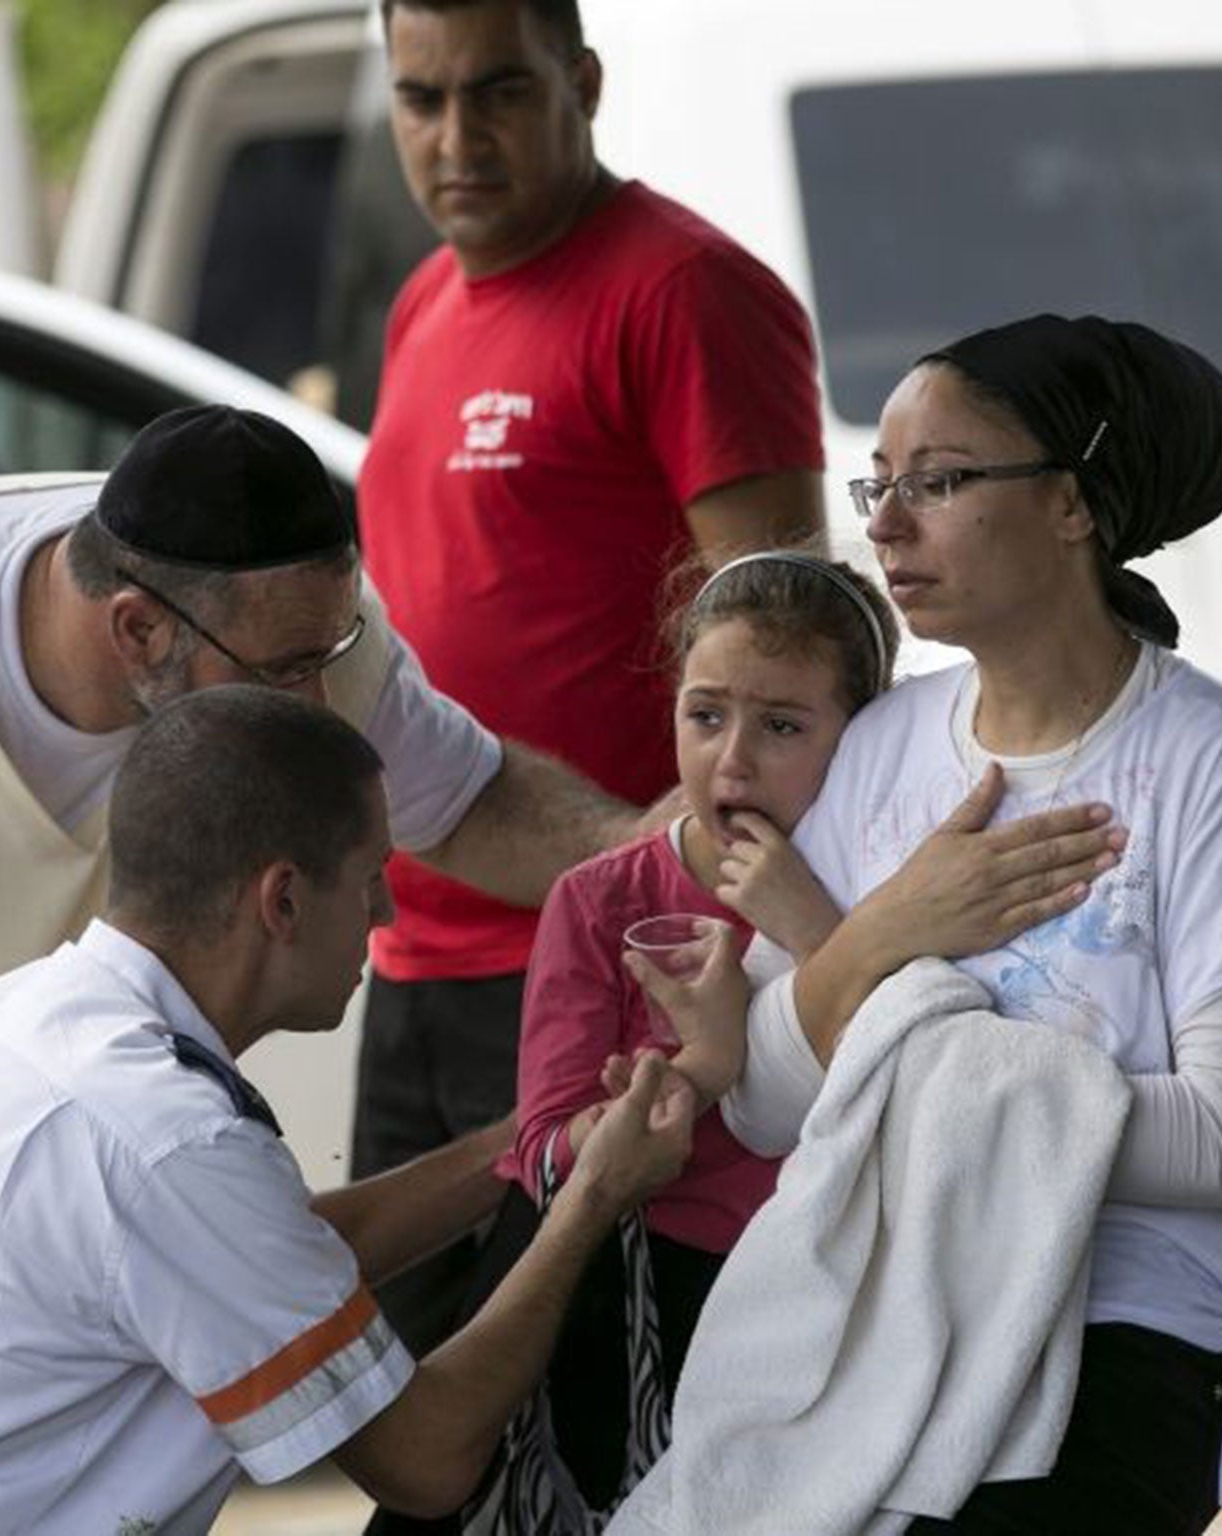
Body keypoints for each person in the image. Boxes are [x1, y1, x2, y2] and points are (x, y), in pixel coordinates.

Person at [0, 402, 654, 1344]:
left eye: (328, 659)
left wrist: (677, 859)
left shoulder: (291, 621)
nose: (321, 705)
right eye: (288, 672)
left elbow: (478, 805)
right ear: (139, 633)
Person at [0, 686, 694, 1531]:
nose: (386, 916)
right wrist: (589, 1196)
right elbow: (426, 1459)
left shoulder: (20, 1019)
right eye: (370, 878)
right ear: (281, 900)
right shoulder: (161, 1137)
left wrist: (528, 1141)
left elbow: (269, 1258)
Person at [715, 314, 1222, 1534]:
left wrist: (902, 1059)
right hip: (882, 1325)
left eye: (938, 483)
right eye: (879, 484)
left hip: (1126, 1333)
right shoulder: (883, 746)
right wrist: (895, 924)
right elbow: (763, 1101)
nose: (886, 524)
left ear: (1073, 505)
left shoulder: (1208, 759)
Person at [351, 0, 828, 1360]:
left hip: (600, 965)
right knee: (418, 1413)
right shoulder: (423, 303)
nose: (455, 137)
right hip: (411, 949)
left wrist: (716, 932)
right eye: (420, 98)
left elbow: (789, 647)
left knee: (587, 1414)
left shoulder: (682, 291)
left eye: (497, 92)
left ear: (585, 83)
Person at [491, 551, 898, 1515]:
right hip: (641, 1316)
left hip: (831, 1310)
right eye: (705, 715)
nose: (733, 760)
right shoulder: (601, 901)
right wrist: (699, 1072)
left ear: (866, 735)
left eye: (784, 726)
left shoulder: (890, 887)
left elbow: (925, 1086)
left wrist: (815, 937)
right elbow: (545, 1153)